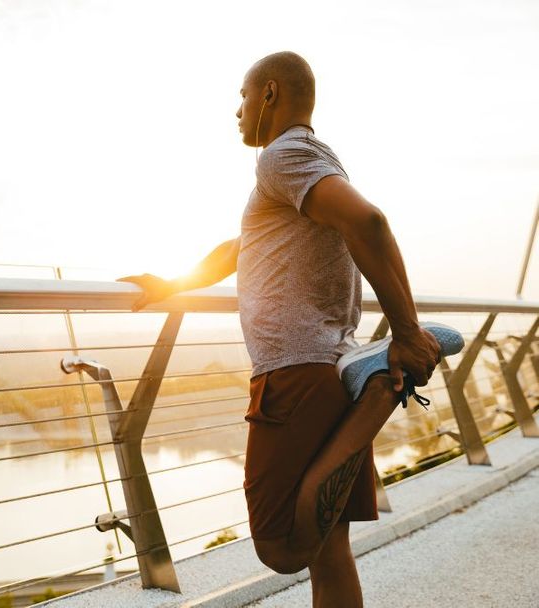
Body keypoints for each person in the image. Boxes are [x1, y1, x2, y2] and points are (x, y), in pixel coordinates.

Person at [117, 51, 441, 608]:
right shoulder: (313, 162)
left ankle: (379, 395)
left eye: (242, 98)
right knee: (328, 551)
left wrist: (408, 331)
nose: (237, 112)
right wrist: (173, 282)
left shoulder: (282, 156)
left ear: (268, 94)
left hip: (294, 374)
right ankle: (373, 387)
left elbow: (371, 221)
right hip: (329, 366)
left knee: (280, 549)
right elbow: (243, 247)